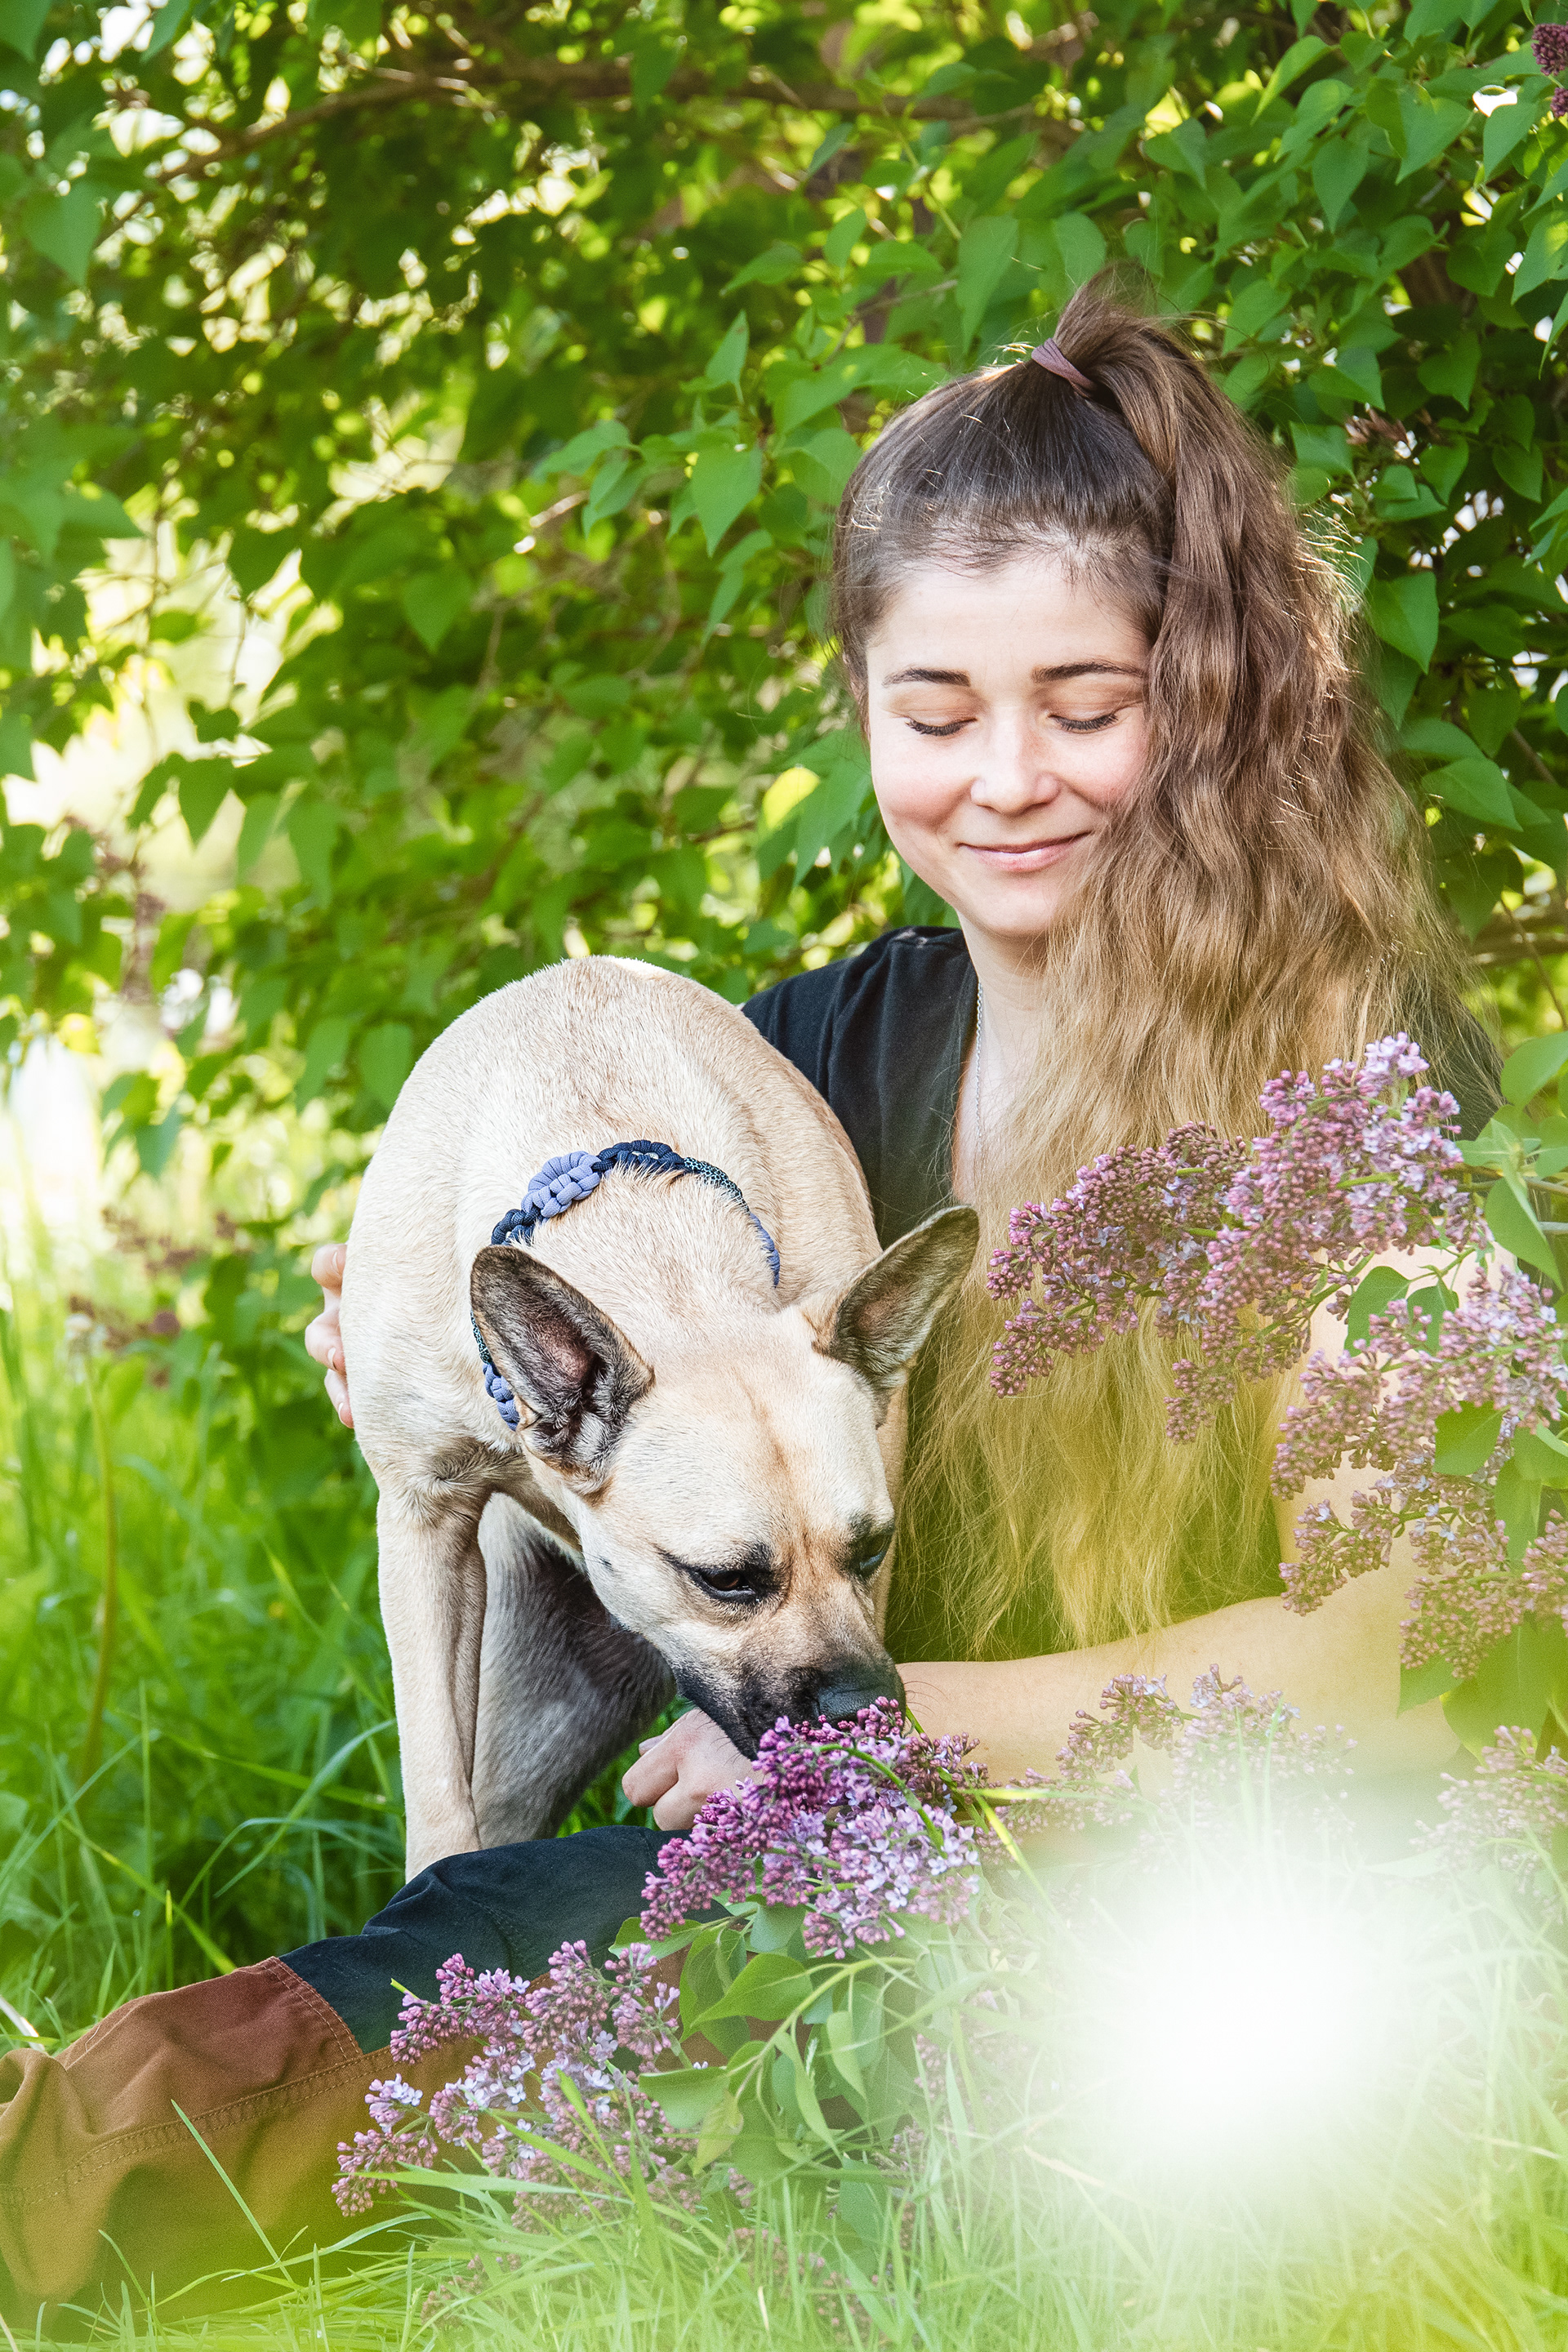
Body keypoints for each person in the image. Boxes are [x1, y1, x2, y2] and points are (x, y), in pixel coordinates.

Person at [0, 287, 1495, 2323]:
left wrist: (878, 1742)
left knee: (535, 1949)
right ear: (861, 708)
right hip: (818, 1868)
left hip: (1219, 1897)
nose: (1008, 777)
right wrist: (412, 1347)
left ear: (1204, 699)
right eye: (936, 713)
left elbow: (1416, 1655)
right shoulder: (789, 1079)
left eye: (1086, 702)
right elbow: (542, 1350)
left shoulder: (1346, 1084)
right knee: (531, 1933)